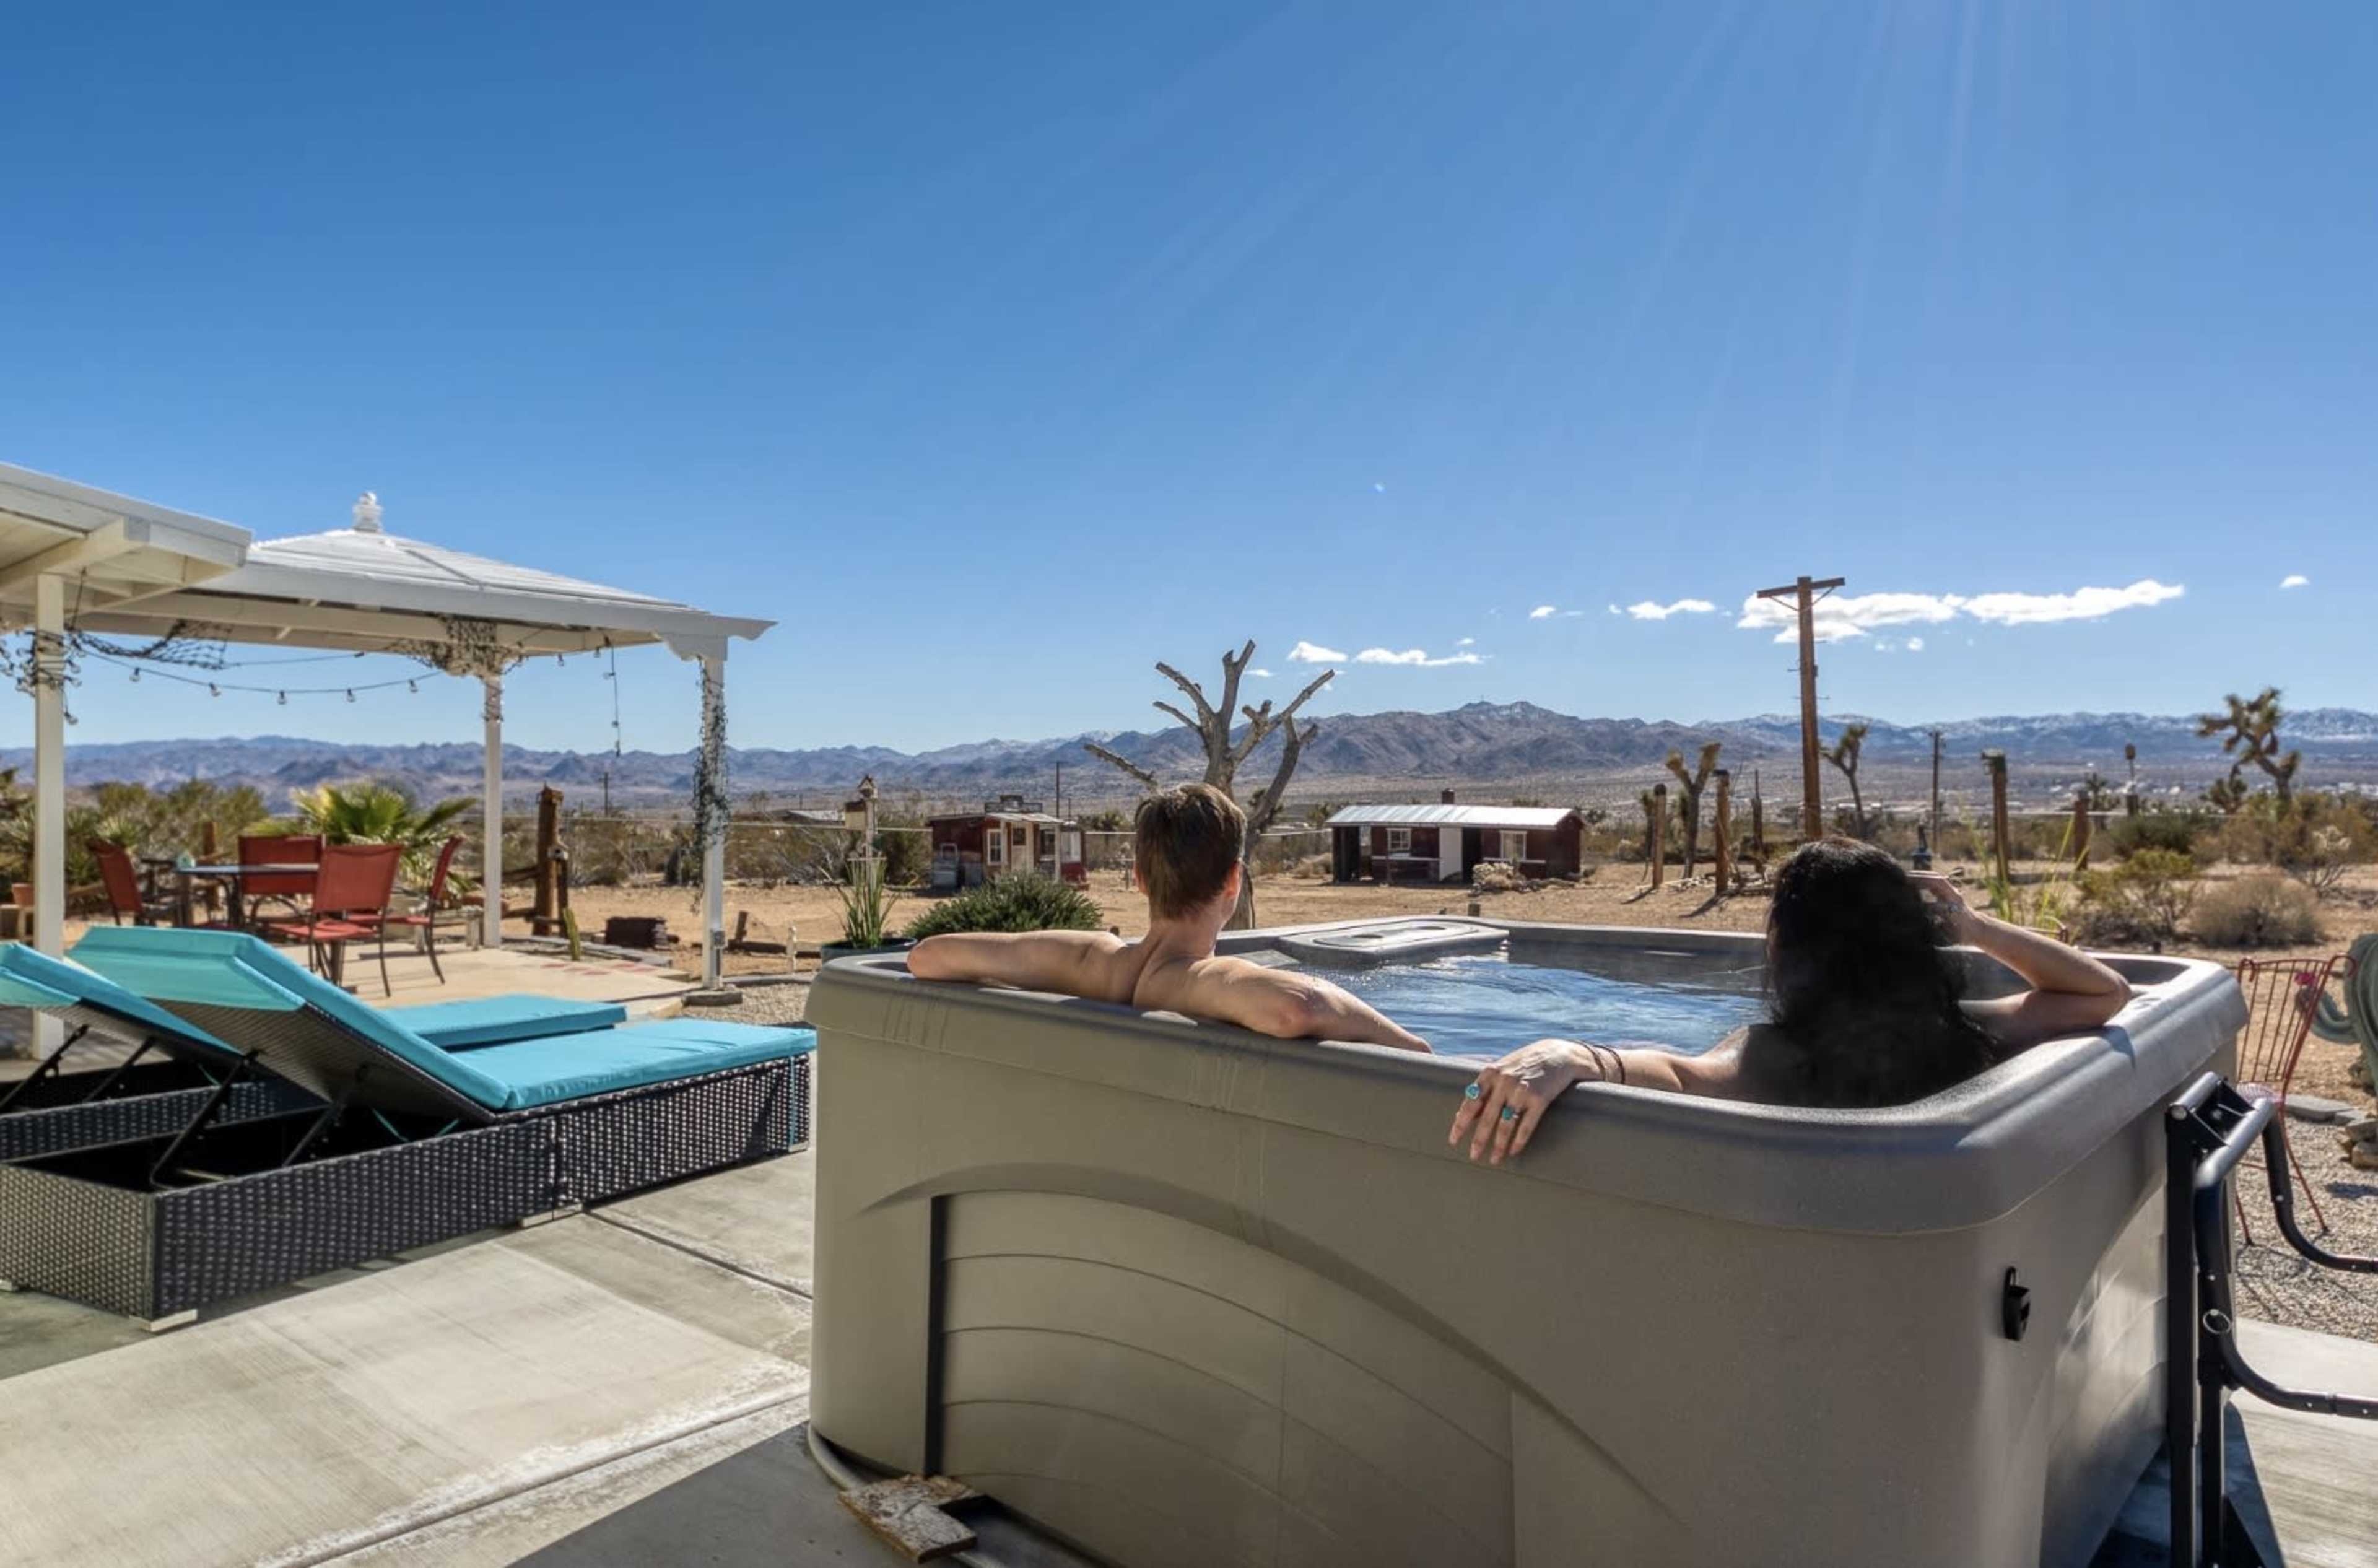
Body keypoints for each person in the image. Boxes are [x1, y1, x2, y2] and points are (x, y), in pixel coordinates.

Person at [1448, 837, 2132, 1164]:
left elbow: (1679, 1075)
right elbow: (2104, 993)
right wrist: (1974, 927)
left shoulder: (1771, 1061)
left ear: (1781, 949)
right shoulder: (1972, 1037)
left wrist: (1572, 1053)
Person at [908, 783, 1431, 1052]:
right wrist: (1416, 1051)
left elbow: (928, 956)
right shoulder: (1192, 979)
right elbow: (1297, 1008)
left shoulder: (1089, 960)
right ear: (1233, 881)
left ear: (1138, 877)